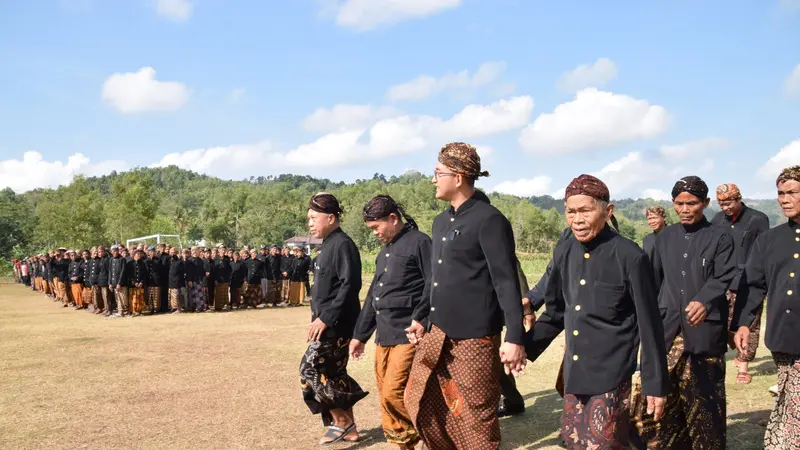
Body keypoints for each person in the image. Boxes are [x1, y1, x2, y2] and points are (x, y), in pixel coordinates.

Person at [523, 175, 668, 449]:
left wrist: (655, 385)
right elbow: (555, 312)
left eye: (585, 211)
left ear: (607, 211)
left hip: (611, 373)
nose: (577, 219)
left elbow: (650, 327)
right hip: (574, 373)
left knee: (606, 443)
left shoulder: (630, 257)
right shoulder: (565, 250)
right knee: (575, 443)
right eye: (571, 211)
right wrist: (523, 346)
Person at [404, 142, 526, 450]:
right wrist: (421, 316)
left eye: (437, 172)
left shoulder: (489, 220)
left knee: (476, 416)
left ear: (458, 177)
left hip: (475, 338)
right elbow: (435, 277)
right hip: (438, 331)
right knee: (423, 401)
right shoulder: (441, 221)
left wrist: (514, 337)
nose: (433, 179)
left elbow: (506, 281)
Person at [636, 175, 735, 449]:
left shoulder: (720, 237)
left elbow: (723, 275)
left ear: (705, 203)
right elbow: (653, 279)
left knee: (706, 402)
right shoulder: (663, 238)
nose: (685, 209)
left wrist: (704, 299)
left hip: (704, 330)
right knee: (667, 402)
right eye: (679, 203)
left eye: (691, 203)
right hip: (668, 328)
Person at [350, 195, 431, 449]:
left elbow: (434, 285)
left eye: (376, 227)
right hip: (384, 335)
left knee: (393, 393)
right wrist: (359, 336)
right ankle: (403, 445)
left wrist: (422, 317)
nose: (374, 233)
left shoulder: (420, 243)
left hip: (408, 333)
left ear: (393, 219)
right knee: (385, 395)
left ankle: (431, 433)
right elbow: (374, 295)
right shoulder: (384, 252)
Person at [733, 165, 800, 449]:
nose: (785, 199)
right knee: (789, 396)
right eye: (781, 193)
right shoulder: (770, 240)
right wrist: (744, 322)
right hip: (782, 336)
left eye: (793, 193)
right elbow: (754, 285)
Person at [301, 192, 367, 445]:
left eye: (313, 218)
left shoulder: (343, 245)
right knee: (334, 374)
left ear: (330, 217)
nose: (310, 223)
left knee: (310, 370)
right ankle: (350, 430)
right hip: (325, 323)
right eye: (308, 218)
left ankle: (341, 420)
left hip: (338, 325)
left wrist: (325, 318)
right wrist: (315, 317)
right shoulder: (327, 244)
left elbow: (350, 285)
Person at [709, 183, 771, 384]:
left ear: (738, 198)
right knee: (721, 324)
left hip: (748, 280)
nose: (725, 207)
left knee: (749, 324)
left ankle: (743, 367)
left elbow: (764, 251)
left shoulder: (758, 219)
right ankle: (720, 360)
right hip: (722, 280)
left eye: (728, 203)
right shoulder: (717, 220)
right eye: (721, 204)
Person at [130, 249, 148, 317]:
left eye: (140, 254)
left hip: (141, 284)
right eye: (138, 254)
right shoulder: (130, 263)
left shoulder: (143, 263)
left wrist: (141, 282)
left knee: (141, 298)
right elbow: (129, 275)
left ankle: (140, 311)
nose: (139, 255)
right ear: (134, 255)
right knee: (134, 298)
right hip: (133, 284)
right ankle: (134, 311)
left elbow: (145, 274)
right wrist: (134, 282)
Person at [213, 246, 231, 311]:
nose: (223, 251)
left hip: (225, 279)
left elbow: (229, 269)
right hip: (218, 279)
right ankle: (218, 307)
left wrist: (229, 278)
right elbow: (214, 270)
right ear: (219, 250)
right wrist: (215, 279)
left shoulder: (227, 258)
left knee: (225, 293)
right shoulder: (216, 258)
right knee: (218, 294)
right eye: (222, 250)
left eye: (224, 250)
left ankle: (226, 305)